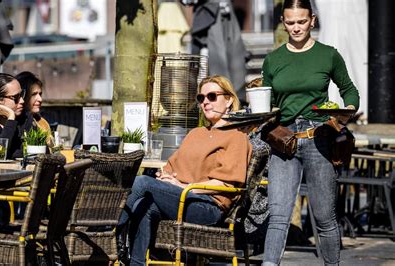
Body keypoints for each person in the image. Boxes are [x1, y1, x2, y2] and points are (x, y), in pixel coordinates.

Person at [261, 1, 360, 265]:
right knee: (278, 215)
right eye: (290, 22)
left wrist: (347, 109)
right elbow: (265, 99)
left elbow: (350, 90)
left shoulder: (328, 55)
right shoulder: (273, 60)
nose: (296, 27)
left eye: (301, 21)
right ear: (283, 22)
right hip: (283, 141)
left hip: (319, 138)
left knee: (324, 216)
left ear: (312, 20)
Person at [117, 75, 252, 265]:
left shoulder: (236, 135)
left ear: (229, 100)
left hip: (208, 207)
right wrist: (165, 178)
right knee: (144, 204)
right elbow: (170, 168)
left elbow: (227, 183)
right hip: (181, 198)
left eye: (212, 96)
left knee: (141, 182)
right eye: (201, 98)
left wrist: (184, 186)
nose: (205, 102)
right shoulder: (196, 133)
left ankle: (110, 230)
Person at [15, 71, 54, 148]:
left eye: (40, 94)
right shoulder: (13, 122)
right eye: (34, 94)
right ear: (23, 95)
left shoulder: (42, 122)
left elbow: (51, 149)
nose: (40, 99)